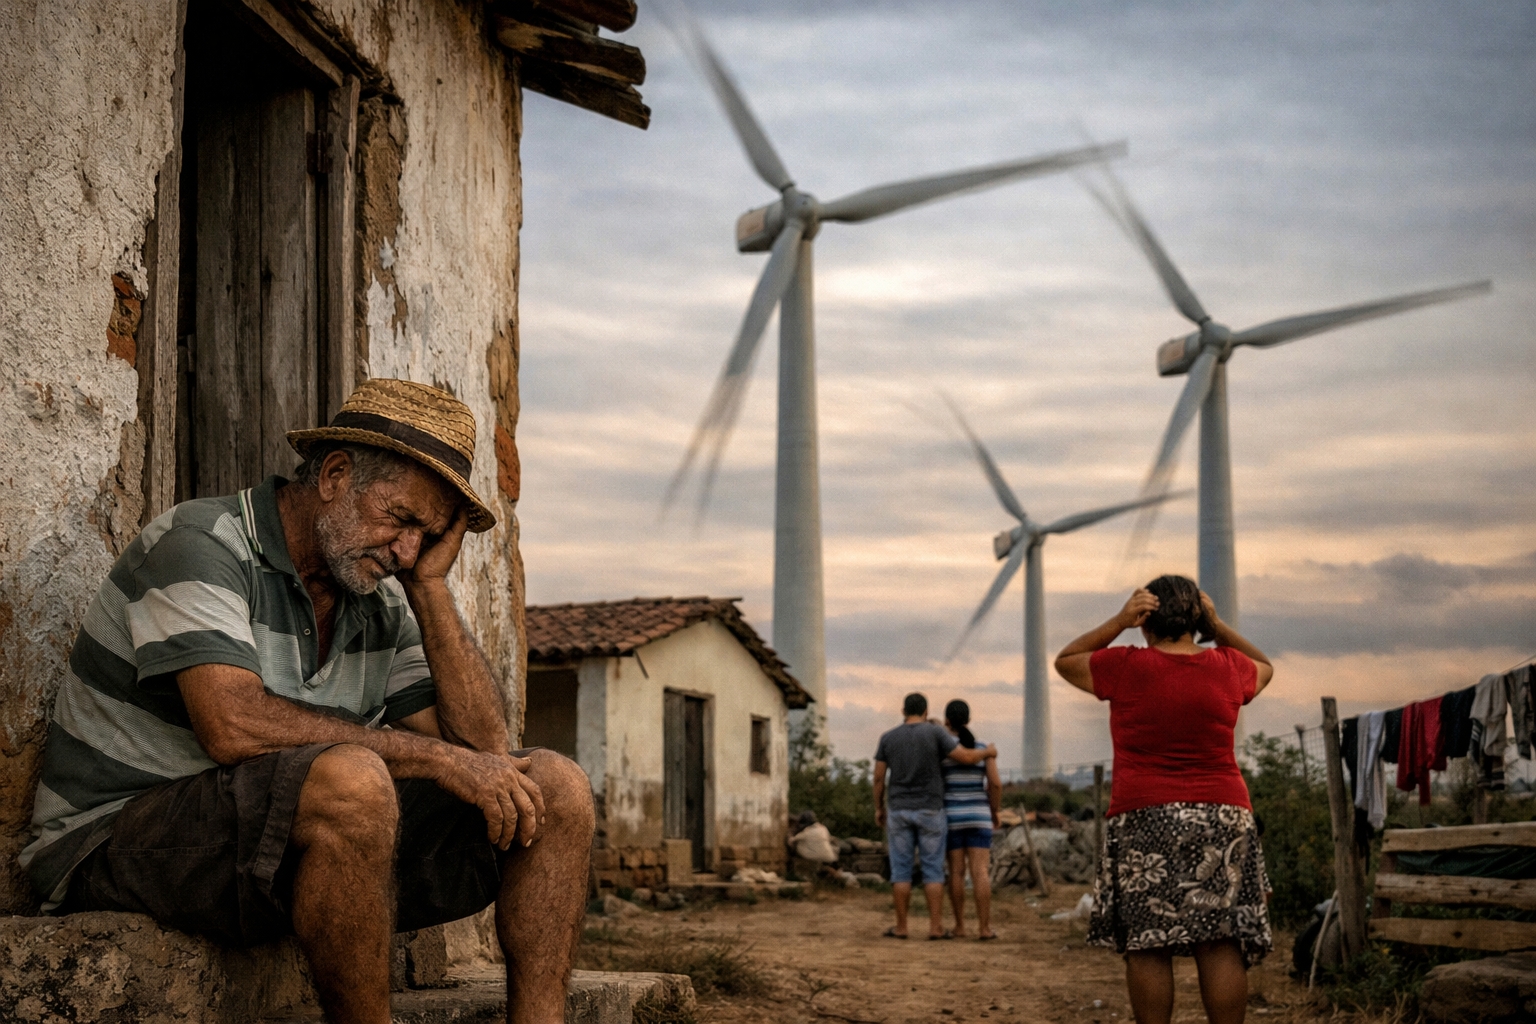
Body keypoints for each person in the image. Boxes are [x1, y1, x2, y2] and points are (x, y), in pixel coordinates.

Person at [20, 379, 594, 1024]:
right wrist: (434, 760)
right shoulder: (200, 542)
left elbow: (486, 754)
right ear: (335, 475)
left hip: (264, 852)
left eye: (428, 536)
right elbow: (231, 725)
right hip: (116, 840)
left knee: (555, 785)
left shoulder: (380, 597)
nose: (406, 550)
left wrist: (430, 590)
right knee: (352, 778)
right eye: (401, 519)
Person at [1055, 575, 1275, 1024]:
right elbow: (1264, 664)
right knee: (1219, 941)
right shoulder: (1230, 665)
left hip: (1144, 816)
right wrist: (1217, 625)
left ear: (1145, 622)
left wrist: (1118, 620)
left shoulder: (1125, 666)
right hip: (1224, 814)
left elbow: (1066, 659)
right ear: (1197, 620)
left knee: (1148, 942)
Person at [873, 692, 997, 939]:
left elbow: (878, 778)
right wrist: (988, 752)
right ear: (927, 711)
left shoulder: (888, 737)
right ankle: (936, 927)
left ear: (903, 710)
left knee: (901, 871)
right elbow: (966, 757)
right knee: (933, 871)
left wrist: (879, 807)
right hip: (931, 809)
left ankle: (902, 927)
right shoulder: (935, 734)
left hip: (899, 809)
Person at [940, 699, 1001, 940]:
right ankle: (985, 928)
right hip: (979, 816)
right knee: (980, 872)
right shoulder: (984, 748)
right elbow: (995, 783)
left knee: (956, 872)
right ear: (968, 720)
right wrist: (994, 811)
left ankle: (959, 926)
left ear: (947, 722)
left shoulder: (944, 751)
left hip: (952, 816)